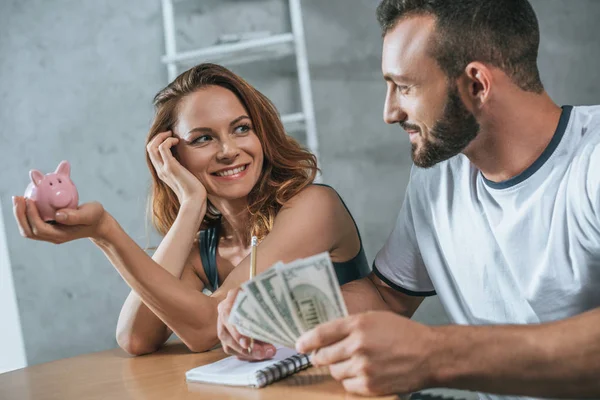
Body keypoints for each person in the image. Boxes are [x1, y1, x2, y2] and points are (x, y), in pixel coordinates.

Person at [216, 0, 600, 398]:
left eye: (404, 87)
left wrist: (435, 355)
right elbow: (388, 296)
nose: (389, 112)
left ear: (477, 85)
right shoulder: (438, 175)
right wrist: (278, 307)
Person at [12, 63, 370, 357]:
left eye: (241, 129)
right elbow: (136, 336)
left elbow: (203, 329)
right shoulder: (206, 250)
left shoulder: (314, 207)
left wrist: (107, 230)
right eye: (203, 138)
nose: (228, 150)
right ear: (174, 157)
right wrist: (190, 204)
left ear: (261, 136)